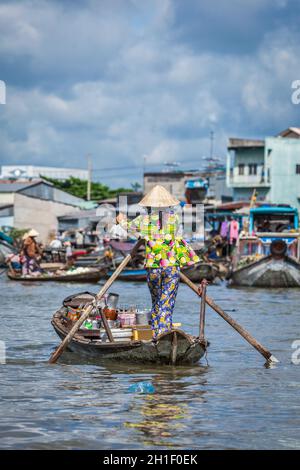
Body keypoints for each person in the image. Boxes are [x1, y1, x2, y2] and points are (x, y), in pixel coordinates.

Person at [116, 185, 200, 339]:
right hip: (171, 267)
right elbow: (181, 235)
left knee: (156, 302)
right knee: (166, 304)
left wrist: (121, 220)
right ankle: (162, 334)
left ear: (149, 205)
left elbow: (129, 229)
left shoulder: (144, 219)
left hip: (153, 268)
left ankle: (156, 333)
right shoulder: (175, 218)